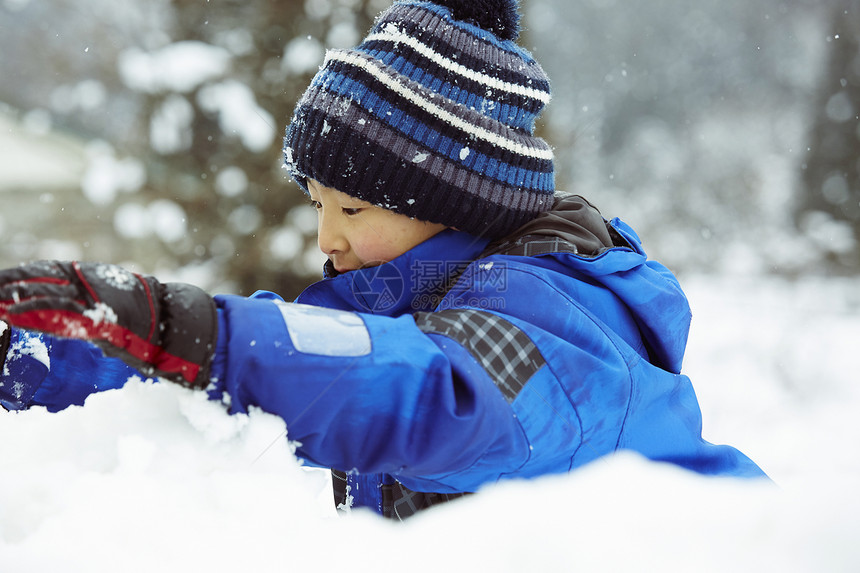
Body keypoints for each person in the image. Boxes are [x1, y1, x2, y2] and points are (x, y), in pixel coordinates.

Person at [0, 0, 768, 520]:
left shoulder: (562, 329)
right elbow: (271, 361)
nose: (326, 237)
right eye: (319, 203)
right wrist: (49, 347)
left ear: (458, 204)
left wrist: (186, 327)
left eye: (354, 207)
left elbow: (431, 391)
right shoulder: (402, 306)